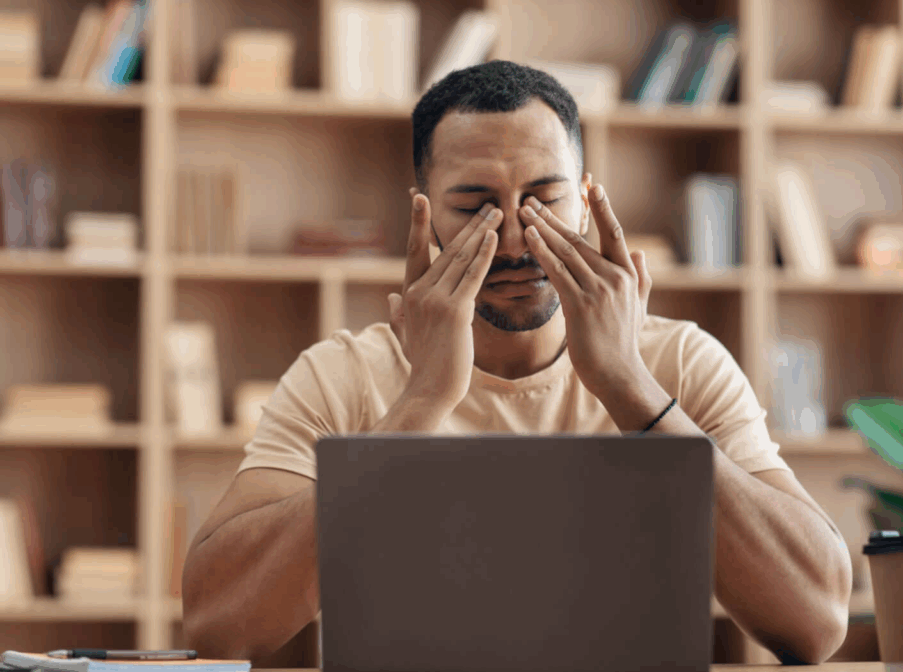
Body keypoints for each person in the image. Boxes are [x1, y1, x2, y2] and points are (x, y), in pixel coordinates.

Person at [181, 60, 852, 664]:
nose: (512, 236)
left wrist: (627, 384)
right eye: (474, 205)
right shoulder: (342, 374)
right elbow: (219, 626)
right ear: (423, 216)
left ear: (587, 204)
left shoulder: (678, 361)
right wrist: (419, 405)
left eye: (543, 200)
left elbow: (816, 621)